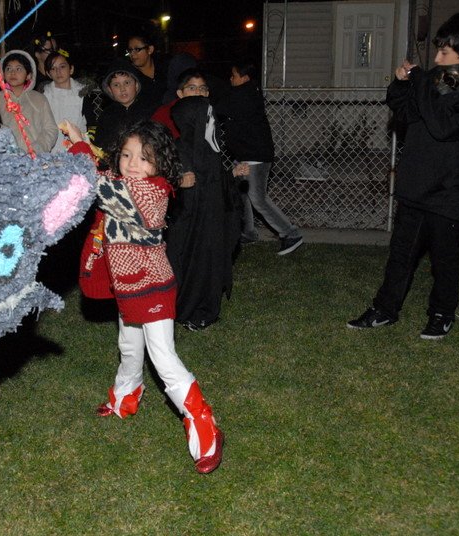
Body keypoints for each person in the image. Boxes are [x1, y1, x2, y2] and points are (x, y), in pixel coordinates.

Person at [64, 119, 224, 474]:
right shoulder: (125, 182)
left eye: (143, 157)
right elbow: (105, 173)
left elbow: (99, 186)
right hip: (128, 286)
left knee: (163, 358)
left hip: (152, 288)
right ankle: (125, 398)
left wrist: (79, 150)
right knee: (129, 346)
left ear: (159, 164)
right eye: (126, 154)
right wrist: (80, 141)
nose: (132, 163)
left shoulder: (150, 194)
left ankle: (205, 428)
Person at [347, 13, 459, 340]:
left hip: (449, 188)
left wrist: (421, 83)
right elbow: (409, 111)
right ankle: (385, 309)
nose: (437, 58)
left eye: (445, 52)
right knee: (401, 253)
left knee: (443, 258)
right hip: (417, 183)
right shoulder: (448, 78)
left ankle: (442, 313)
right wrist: (402, 83)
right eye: (438, 50)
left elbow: (442, 126)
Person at [168, 92, 248, 331]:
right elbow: (162, 184)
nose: (213, 122)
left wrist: (231, 175)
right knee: (187, 265)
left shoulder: (209, 151)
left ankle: (204, 310)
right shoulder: (179, 150)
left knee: (209, 264)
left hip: (211, 222)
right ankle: (184, 307)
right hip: (189, 225)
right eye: (208, 117)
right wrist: (178, 183)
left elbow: (213, 183)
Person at [215, 59, 304, 256]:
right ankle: (248, 232)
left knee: (258, 198)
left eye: (234, 76)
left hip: (255, 156)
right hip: (245, 155)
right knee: (243, 193)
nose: (230, 79)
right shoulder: (246, 92)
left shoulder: (244, 95)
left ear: (244, 78)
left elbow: (219, 108)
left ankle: (291, 234)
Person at [0, 49, 59, 155]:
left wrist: (37, 148)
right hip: (4, 158)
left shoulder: (39, 99)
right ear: (3, 74)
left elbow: (50, 129)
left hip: (35, 158)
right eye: (8, 69)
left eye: (18, 69)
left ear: (29, 75)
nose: (13, 73)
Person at [93, 58, 154, 155]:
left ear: (136, 85)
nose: (122, 89)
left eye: (127, 83)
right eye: (116, 85)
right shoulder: (106, 116)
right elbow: (99, 147)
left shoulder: (151, 111)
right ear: (109, 90)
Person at [41, 51, 93, 153]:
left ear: (71, 69)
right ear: (48, 73)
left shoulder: (83, 93)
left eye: (62, 66)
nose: (58, 71)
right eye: (53, 68)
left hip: (79, 151)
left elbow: (91, 124)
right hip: (50, 152)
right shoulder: (43, 95)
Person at [126, 33, 168, 113]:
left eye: (137, 49)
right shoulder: (130, 76)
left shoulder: (165, 68)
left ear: (150, 50)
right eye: (130, 50)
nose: (132, 54)